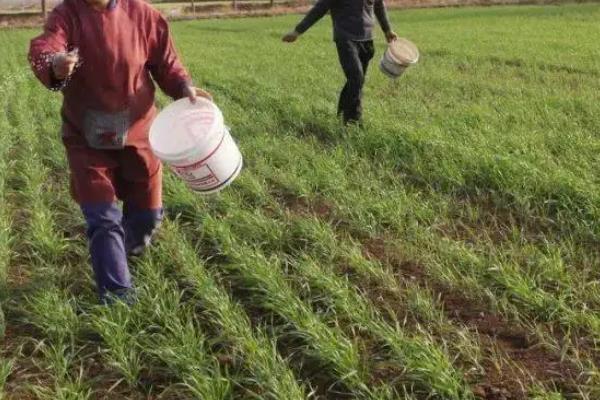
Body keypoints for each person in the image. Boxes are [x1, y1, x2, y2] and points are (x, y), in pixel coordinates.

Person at [29, 0, 211, 304]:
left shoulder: (143, 14)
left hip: (139, 133)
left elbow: (166, 63)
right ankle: (117, 296)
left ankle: (121, 254)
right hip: (87, 137)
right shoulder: (67, 14)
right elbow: (46, 47)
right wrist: (56, 64)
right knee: (102, 216)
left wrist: (183, 86)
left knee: (147, 216)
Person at [283, 0, 397, 125]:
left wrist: (387, 30)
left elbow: (379, 6)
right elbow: (319, 9)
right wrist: (298, 31)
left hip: (367, 39)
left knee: (356, 82)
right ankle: (353, 122)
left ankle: (342, 113)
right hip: (346, 37)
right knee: (356, 77)